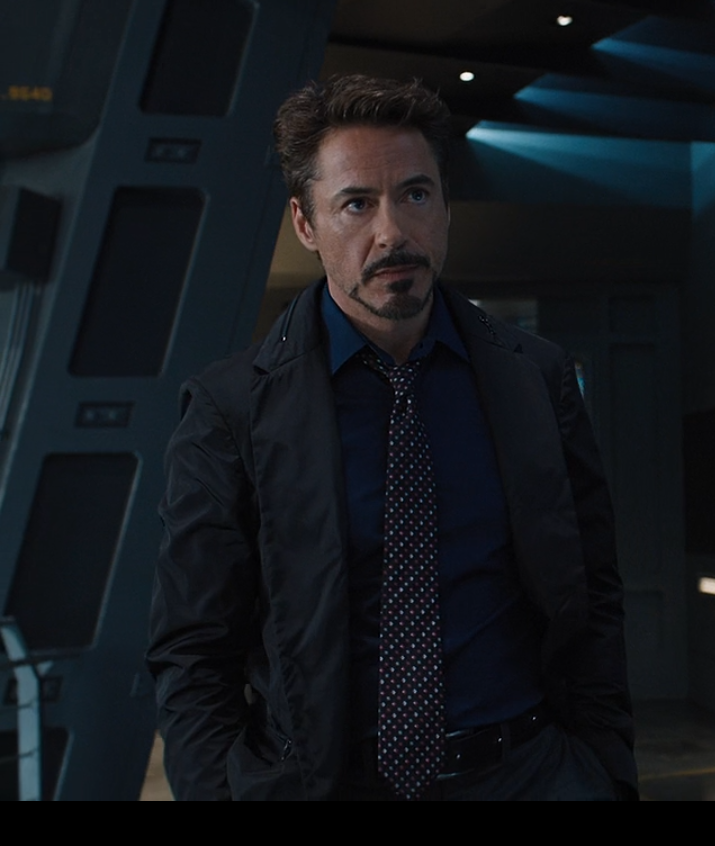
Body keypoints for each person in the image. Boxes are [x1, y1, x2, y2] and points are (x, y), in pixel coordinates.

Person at [147, 75, 635, 801]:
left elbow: (592, 594)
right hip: (326, 783)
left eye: (415, 194)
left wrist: (604, 772)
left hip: (530, 773)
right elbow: (194, 648)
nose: (393, 232)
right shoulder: (232, 408)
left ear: (445, 206)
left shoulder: (537, 378)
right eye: (356, 203)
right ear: (306, 223)